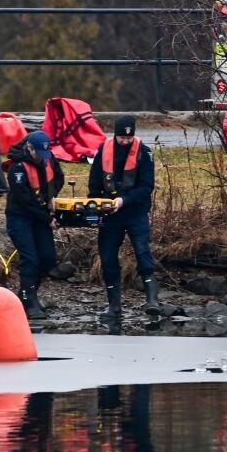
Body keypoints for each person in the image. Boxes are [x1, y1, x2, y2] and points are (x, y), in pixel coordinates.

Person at [88, 115, 159, 319]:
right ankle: (114, 306)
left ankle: (152, 301)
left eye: (129, 138)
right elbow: (94, 182)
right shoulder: (104, 150)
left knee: (142, 252)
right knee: (108, 256)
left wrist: (124, 200)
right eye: (122, 138)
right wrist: (99, 204)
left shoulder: (144, 153)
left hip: (135, 211)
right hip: (110, 215)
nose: (126, 142)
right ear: (116, 135)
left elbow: (147, 187)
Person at [5, 130, 64, 319]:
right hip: (20, 216)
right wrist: (48, 218)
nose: (42, 158)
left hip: (40, 215)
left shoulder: (48, 158)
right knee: (30, 258)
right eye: (38, 153)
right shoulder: (17, 168)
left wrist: (51, 198)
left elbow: (58, 178)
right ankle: (29, 302)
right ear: (29, 149)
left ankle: (27, 295)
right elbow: (25, 200)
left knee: (47, 258)